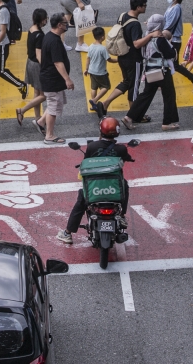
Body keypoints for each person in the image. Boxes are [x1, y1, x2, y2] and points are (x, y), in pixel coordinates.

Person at [56, 116, 134, 244]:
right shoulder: (121, 149)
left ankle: (68, 233)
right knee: (124, 185)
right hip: (114, 186)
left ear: (101, 130)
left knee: (81, 201)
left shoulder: (92, 146)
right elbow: (126, 158)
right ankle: (122, 216)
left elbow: (86, 161)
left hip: (94, 186)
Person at [96, 0, 154, 116]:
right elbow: (137, 44)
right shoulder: (136, 25)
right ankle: (133, 115)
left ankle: (105, 103)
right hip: (134, 59)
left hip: (122, 56)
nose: (146, 7)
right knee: (134, 87)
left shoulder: (123, 15)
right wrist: (150, 36)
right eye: (144, 5)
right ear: (138, 7)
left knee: (126, 82)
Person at [123, 14, 179, 131]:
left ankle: (129, 117)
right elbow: (170, 54)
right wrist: (173, 49)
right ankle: (167, 122)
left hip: (149, 70)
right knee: (169, 96)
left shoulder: (146, 36)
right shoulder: (160, 39)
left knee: (146, 95)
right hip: (162, 71)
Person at [35, 13, 75, 144]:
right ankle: (49, 136)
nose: (67, 25)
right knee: (53, 107)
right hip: (52, 80)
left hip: (51, 79)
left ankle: (41, 122)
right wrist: (67, 79)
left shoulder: (49, 36)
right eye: (65, 23)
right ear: (59, 25)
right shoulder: (55, 41)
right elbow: (58, 63)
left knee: (56, 103)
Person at [16, 8, 48, 125]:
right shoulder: (39, 35)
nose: (46, 21)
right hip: (37, 65)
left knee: (36, 92)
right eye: (45, 19)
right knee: (44, 95)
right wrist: (45, 66)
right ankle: (22, 110)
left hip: (30, 62)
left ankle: (38, 117)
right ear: (41, 20)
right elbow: (39, 55)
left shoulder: (31, 29)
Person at [85, 26, 114, 105]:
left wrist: (86, 69)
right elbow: (109, 59)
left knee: (94, 87)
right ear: (102, 37)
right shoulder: (102, 48)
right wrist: (118, 60)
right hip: (101, 72)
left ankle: (92, 102)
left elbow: (88, 58)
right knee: (106, 86)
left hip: (91, 71)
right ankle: (95, 100)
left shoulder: (91, 46)